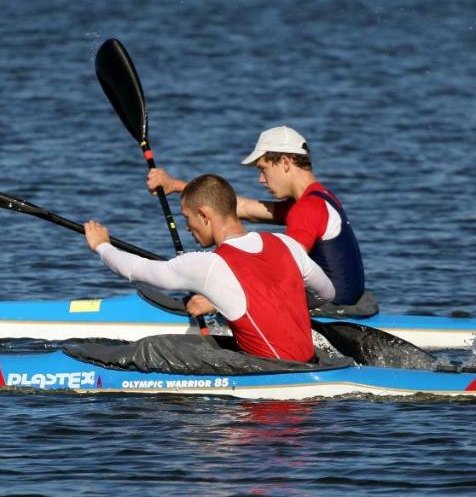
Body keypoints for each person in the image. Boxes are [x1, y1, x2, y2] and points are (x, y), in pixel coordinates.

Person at [84, 174, 335, 363]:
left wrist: (102, 246)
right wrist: (286, 305)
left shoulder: (208, 265)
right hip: (310, 370)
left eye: (187, 218)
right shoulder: (285, 243)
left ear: (204, 216)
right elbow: (327, 293)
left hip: (267, 401)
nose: (187, 227)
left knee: (156, 349)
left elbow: (136, 270)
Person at [146, 125, 368, 308]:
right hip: (346, 303)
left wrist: (219, 301)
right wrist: (175, 185)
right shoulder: (319, 198)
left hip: (333, 311)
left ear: (285, 162)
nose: (261, 180)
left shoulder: (307, 209)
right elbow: (241, 208)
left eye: (263, 169)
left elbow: (287, 269)